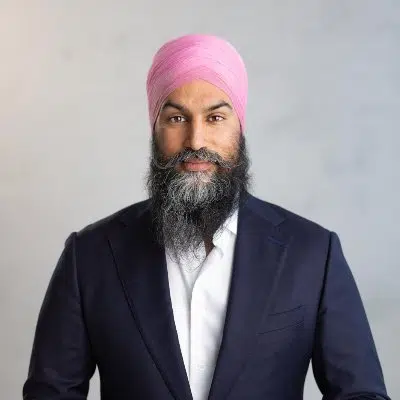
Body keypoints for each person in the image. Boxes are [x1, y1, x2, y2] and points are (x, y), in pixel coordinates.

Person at [23, 34, 390, 400]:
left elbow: (361, 394)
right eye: (176, 118)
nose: (196, 140)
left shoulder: (313, 253)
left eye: (215, 118)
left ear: (239, 126)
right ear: (154, 129)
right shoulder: (90, 256)